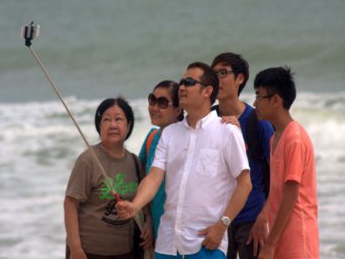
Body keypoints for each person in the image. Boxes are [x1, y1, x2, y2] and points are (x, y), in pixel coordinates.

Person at [117, 62, 252, 259]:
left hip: (207, 243)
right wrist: (135, 206)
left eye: (189, 82)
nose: (181, 87)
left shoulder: (227, 131)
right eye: (181, 82)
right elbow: (154, 178)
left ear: (207, 91)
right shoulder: (169, 134)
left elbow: (245, 184)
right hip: (167, 244)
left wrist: (223, 224)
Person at [64, 97, 152, 259]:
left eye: (119, 119)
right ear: (99, 125)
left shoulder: (134, 161)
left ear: (129, 125)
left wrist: (148, 225)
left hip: (125, 252)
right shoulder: (88, 159)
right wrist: (75, 248)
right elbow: (70, 204)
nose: (113, 125)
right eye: (106, 119)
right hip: (89, 251)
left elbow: (143, 201)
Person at [210, 52, 274, 259]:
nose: (216, 79)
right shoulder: (208, 119)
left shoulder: (259, 122)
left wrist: (264, 218)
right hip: (217, 217)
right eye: (213, 74)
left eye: (223, 73)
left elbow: (276, 173)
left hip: (251, 219)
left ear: (240, 79)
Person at [253, 67, 319, 259]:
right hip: (280, 235)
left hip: (298, 238)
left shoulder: (294, 138)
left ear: (276, 100)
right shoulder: (275, 138)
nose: (255, 103)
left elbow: (291, 194)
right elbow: (276, 192)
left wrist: (270, 244)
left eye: (259, 96)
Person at [139, 80, 184, 240]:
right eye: (152, 100)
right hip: (156, 231)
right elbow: (142, 181)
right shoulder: (151, 137)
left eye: (163, 103)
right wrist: (148, 219)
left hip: (183, 235)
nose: (154, 108)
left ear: (178, 110)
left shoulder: (188, 141)